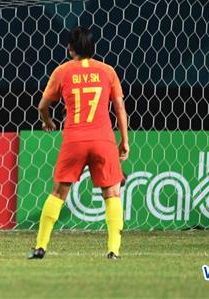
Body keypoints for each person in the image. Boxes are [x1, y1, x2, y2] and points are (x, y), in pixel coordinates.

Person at [29, 26, 130, 260]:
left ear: (70, 48)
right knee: (112, 193)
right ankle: (113, 250)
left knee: (58, 193)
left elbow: (42, 106)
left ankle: (40, 247)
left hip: (74, 139)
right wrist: (124, 140)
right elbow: (120, 107)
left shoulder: (62, 71)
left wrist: (48, 122)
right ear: (93, 48)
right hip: (103, 139)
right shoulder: (107, 71)